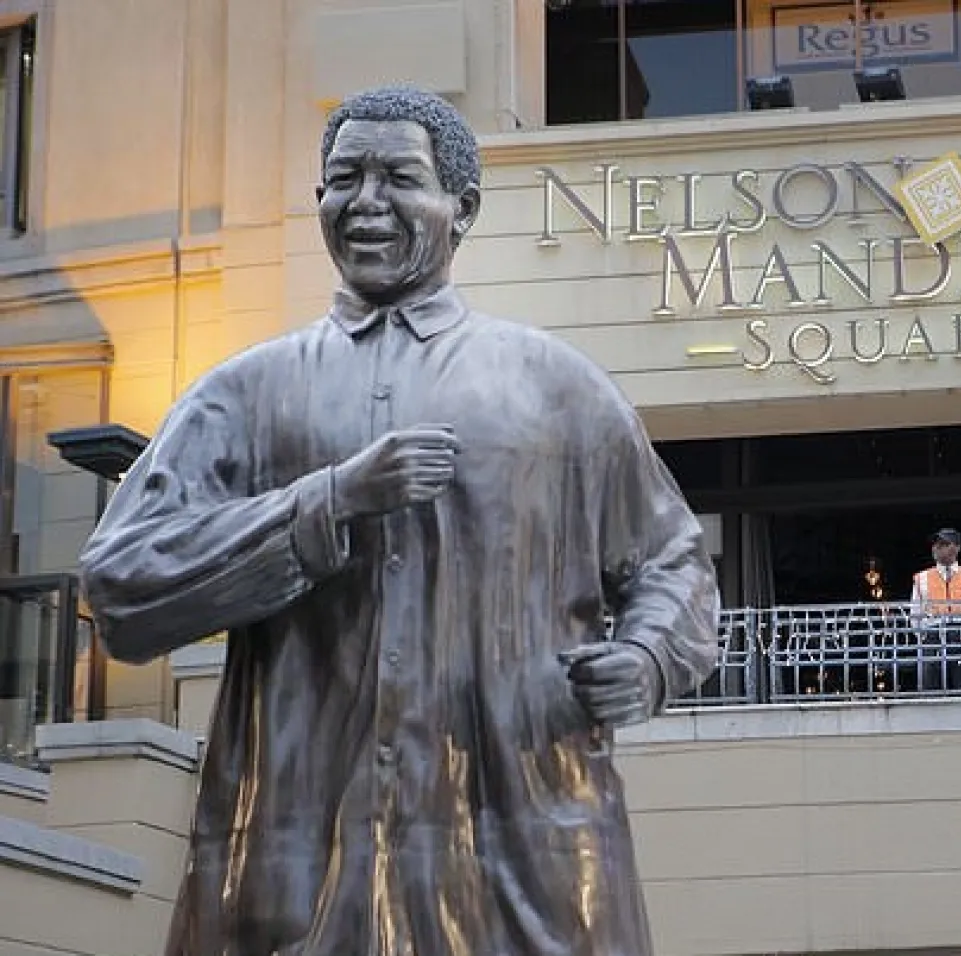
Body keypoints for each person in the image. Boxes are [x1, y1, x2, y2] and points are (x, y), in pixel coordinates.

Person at [77, 85, 721, 956]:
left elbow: (673, 561)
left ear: (463, 208)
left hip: (521, 857)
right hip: (299, 861)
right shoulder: (245, 394)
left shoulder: (559, 390)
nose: (367, 202)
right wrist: (325, 502)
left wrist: (646, 657)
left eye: (399, 178)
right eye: (346, 179)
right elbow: (119, 586)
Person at [909, 528, 961, 691]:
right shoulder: (922, 578)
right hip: (932, 635)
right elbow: (915, 613)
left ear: (956, 548)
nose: (936, 548)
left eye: (943, 544)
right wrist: (924, 636)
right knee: (930, 687)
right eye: (936, 544)